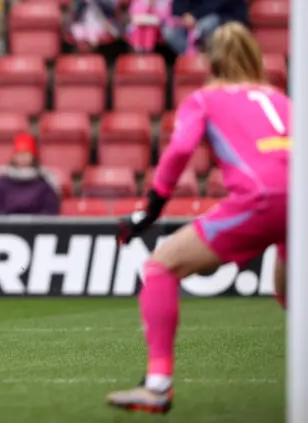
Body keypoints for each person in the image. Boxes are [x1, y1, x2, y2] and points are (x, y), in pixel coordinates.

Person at [105, 22, 289, 414]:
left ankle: (157, 385)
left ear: (211, 61)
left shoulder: (206, 99)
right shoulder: (279, 97)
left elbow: (178, 152)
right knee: (291, 294)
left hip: (263, 200)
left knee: (160, 267)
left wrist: (150, 209)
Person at [0, 133, 60, 216]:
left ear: (33, 156)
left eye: (26, 153)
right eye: (19, 153)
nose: (23, 157)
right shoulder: (2, 183)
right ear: (14, 156)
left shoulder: (44, 184)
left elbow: (50, 211)